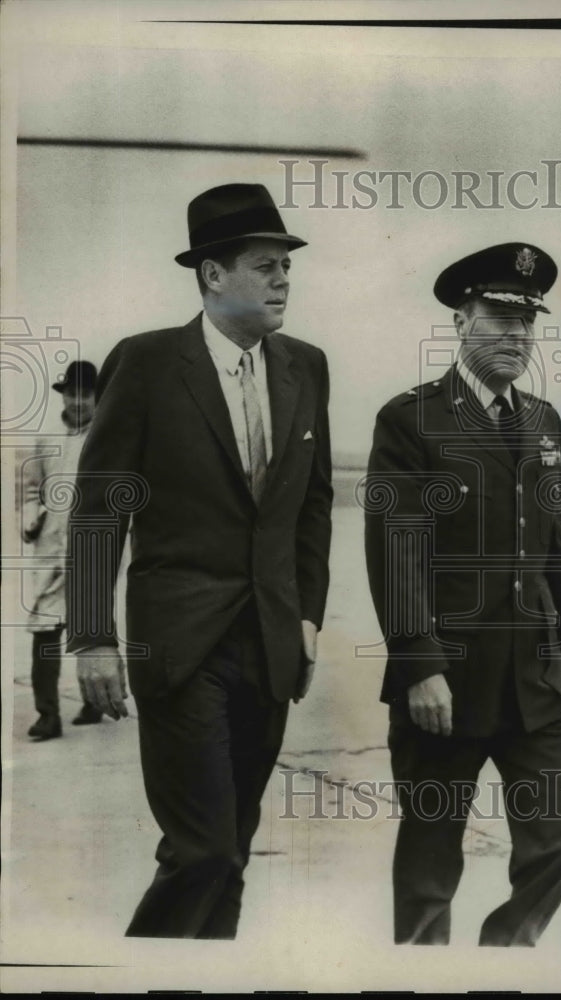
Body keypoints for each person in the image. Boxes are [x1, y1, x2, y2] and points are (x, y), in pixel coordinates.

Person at [67, 183, 333, 938]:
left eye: (286, 265)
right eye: (264, 264)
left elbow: (311, 506)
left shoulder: (306, 367)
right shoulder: (149, 363)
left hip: (272, 644)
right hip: (181, 645)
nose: (284, 278)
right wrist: (91, 636)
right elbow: (98, 509)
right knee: (203, 850)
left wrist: (308, 616)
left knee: (233, 853)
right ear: (212, 275)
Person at [364, 243, 561, 946]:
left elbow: (552, 547)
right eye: (499, 318)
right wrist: (418, 665)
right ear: (461, 321)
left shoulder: (544, 422)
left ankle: (502, 954)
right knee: (430, 865)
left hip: (535, 677)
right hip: (447, 683)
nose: (516, 336)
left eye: (526, 323)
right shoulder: (410, 419)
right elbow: (394, 549)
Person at [21, 360, 103, 740]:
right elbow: (31, 489)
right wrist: (31, 518)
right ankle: (47, 715)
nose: (79, 401)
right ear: (64, 395)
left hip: (96, 548)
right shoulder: (46, 437)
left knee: (93, 629)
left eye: (86, 394)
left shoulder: (107, 435)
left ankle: (96, 701)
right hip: (52, 546)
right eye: (72, 393)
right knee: (45, 630)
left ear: (97, 397)